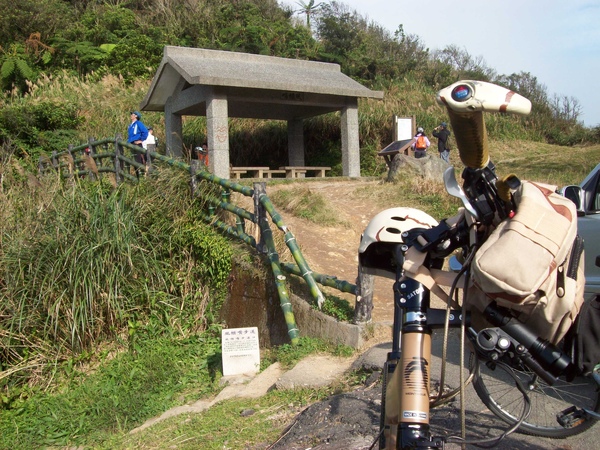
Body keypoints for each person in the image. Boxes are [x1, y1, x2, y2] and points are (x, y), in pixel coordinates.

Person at [127, 111, 149, 175]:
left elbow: (145, 132)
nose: (131, 115)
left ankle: (142, 175)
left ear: (136, 116)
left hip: (137, 144)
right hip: (132, 143)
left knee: (139, 160)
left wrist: (141, 140)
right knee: (134, 160)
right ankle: (138, 176)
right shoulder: (131, 125)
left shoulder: (138, 123)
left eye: (132, 114)